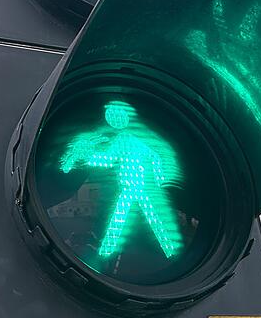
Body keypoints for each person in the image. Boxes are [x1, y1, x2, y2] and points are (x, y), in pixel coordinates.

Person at [60, 101, 181, 259]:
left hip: (136, 186)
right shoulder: (122, 140)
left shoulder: (128, 140)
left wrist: (159, 178)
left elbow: (153, 156)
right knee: (130, 217)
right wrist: (86, 158)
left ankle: (108, 252)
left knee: (134, 218)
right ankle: (167, 249)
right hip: (130, 187)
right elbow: (108, 160)